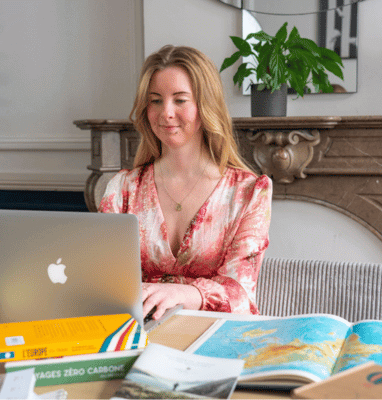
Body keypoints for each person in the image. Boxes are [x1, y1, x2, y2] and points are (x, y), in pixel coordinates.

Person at [99, 45, 272, 320]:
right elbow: (102, 280)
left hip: (216, 334)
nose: (166, 112)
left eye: (180, 100)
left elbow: (241, 294)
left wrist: (185, 294)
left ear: (206, 106)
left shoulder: (248, 191)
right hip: (139, 333)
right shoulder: (122, 189)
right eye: (155, 101)